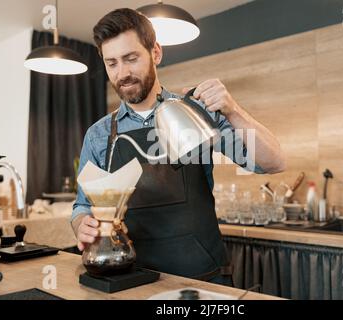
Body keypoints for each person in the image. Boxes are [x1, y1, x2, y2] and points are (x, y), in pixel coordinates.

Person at [71, 8, 286, 286]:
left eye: (131, 58)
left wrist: (233, 111)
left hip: (204, 279)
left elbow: (274, 162)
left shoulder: (195, 112)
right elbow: (82, 206)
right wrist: (82, 225)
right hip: (132, 280)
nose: (122, 73)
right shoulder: (99, 135)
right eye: (112, 63)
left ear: (156, 53)